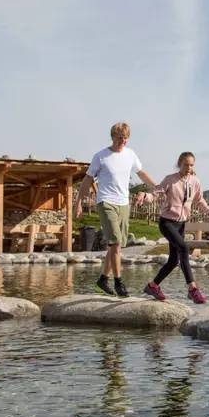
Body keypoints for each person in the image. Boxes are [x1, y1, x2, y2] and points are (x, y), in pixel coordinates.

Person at [75, 122, 157, 298]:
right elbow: (87, 180)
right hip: (106, 201)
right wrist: (78, 203)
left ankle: (102, 280)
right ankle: (119, 282)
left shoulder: (130, 154)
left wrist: (157, 187)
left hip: (123, 204)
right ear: (112, 137)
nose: (123, 141)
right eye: (120, 137)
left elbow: (141, 173)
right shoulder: (101, 156)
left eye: (126, 138)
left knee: (115, 246)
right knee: (116, 243)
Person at [136, 152, 209, 304]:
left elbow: (199, 200)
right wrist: (144, 195)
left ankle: (152, 286)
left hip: (181, 224)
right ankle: (192, 289)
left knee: (174, 261)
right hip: (167, 222)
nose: (189, 168)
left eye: (191, 165)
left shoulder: (195, 181)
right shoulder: (170, 179)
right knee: (183, 247)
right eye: (186, 164)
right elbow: (155, 194)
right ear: (179, 164)